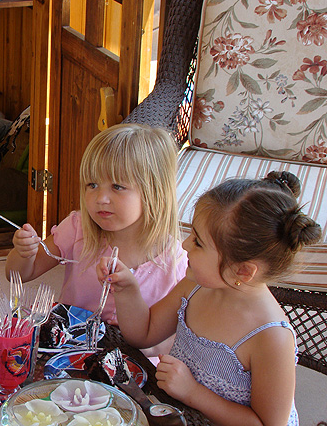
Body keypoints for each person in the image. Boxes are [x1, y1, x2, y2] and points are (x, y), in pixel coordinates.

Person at [101, 171, 322, 426]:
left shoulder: (271, 338)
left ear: (243, 271)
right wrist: (128, 289)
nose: (185, 245)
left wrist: (193, 393)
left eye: (198, 242)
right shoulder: (195, 287)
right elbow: (144, 334)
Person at [6, 123, 187, 354]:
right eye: (92, 185)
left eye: (117, 186)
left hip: (131, 364)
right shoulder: (78, 228)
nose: (101, 198)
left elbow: (177, 336)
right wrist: (24, 253)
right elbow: (19, 275)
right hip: (67, 353)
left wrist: (148, 349)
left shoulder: (175, 261)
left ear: (154, 191)